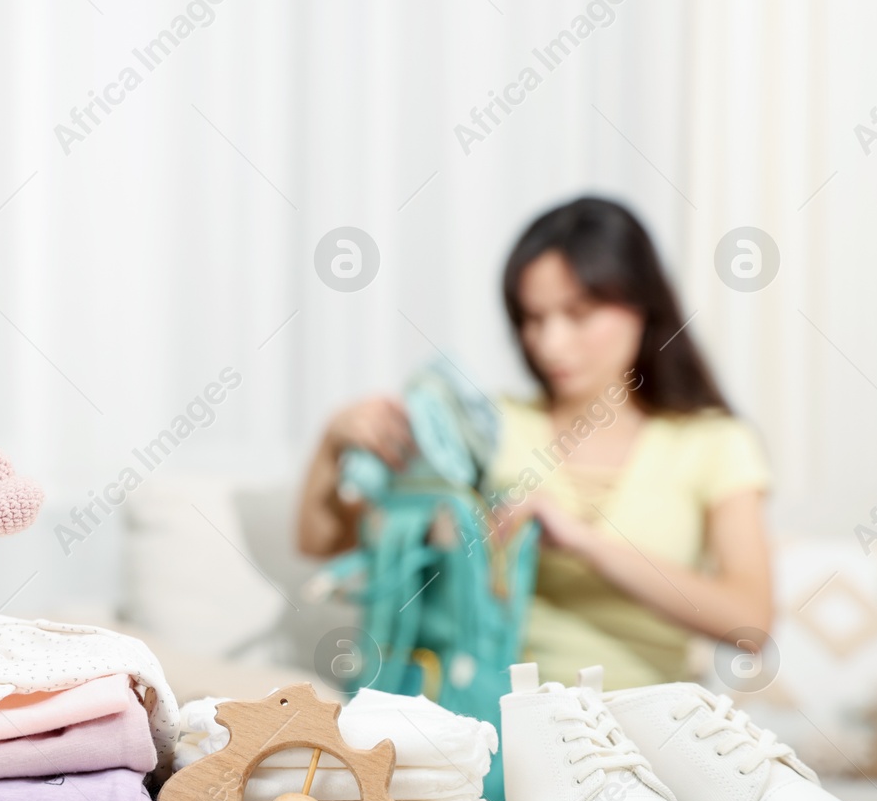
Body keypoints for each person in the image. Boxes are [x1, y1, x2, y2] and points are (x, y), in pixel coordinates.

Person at [296, 196, 772, 690]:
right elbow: (325, 543)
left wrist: (583, 542)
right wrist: (332, 445)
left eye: (579, 314)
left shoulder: (714, 443)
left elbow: (750, 625)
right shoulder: (489, 426)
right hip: (493, 719)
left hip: (645, 727)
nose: (551, 344)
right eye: (533, 319)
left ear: (642, 306)